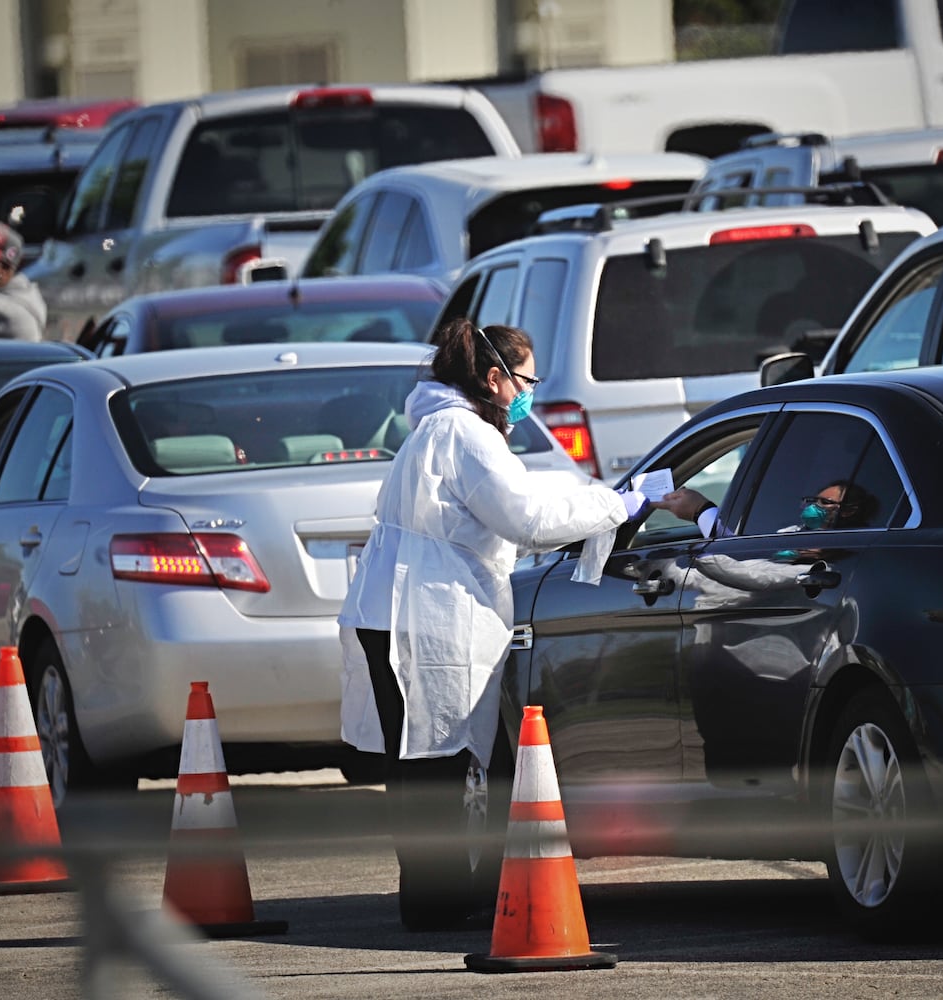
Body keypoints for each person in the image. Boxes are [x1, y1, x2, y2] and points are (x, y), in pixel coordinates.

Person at [338, 317, 650, 931]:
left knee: (420, 766)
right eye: (527, 380)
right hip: (424, 618)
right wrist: (623, 502)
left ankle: (436, 897)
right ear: (494, 378)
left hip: (394, 612)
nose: (530, 392)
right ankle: (440, 902)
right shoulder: (463, 433)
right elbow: (527, 517)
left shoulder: (438, 429)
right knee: (435, 763)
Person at [656, 478, 864, 539]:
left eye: (825, 503)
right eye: (814, 500)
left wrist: (700, 509)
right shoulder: (792, 533)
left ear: (848, 511)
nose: (814, 507)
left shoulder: (838, 545)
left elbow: (738, 563)